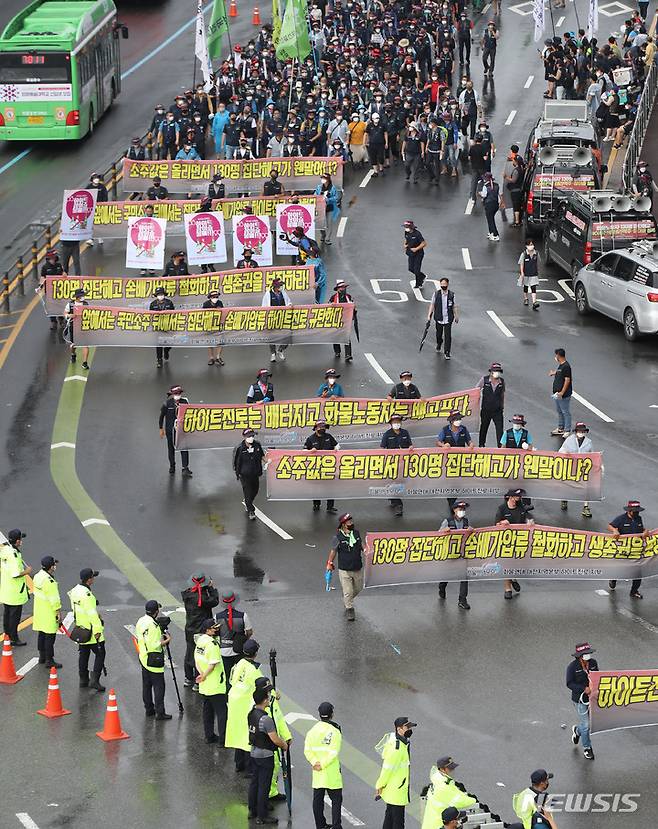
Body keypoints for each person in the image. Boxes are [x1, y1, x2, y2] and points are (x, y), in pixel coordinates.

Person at [248, 681, 289, 824]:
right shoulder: (266, 719)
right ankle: (262, 815)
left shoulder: (251, 713)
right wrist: (284, 745)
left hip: (253, 752)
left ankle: (252, 811)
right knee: (263, 786)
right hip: (265, 755)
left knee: (254, 783)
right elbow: (275, 739)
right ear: (264, 700)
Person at [226, 638, 264, 773]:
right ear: (255, 653)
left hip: (234, 702)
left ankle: (238, 763)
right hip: (245, 705)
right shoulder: (254, 670)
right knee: (248, 736)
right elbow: (262, 686)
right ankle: (249, 768)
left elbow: (231, 680)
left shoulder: (239, 663)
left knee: (237, 733)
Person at [304, 701, 343, 829]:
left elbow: (307, 750)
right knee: (336, 800)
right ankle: (337, 826)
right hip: (331, 771)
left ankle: (320, 825)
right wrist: (323, 764)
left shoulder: (312, 731)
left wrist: (315, 763)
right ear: (332, 714)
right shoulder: (335, 731)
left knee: (318, 800)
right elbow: (334, 751)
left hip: (318, 771)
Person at [68, 567, 106, 691]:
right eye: (93, 577)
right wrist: (98, 630)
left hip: (81, 629)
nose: (93, 579)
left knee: (83, 653)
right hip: (91, 631)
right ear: (89, 580)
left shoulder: (74, 590)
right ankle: (95, 680)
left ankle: (83, 679)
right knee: (101, 654)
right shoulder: (87, 595)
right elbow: (92, 615)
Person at [375, 717, 415, 829]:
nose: (409, 729)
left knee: (390, 818)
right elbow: (387, 768)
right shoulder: (397, 748)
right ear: (399, 729)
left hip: (394, 788)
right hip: (397, 789)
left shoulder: (401, 742)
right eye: (407, 727)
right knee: (398, 822)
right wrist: (379, 785)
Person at [181, 571, 219, 689]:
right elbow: (215, 601)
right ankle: (198, 681)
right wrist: (211, 588)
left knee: (189, 652)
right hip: (201, 630)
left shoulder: (187, 595)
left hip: (190, 628)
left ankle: (188, 678)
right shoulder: (203, 598)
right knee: (201, 655)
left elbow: (194, 590)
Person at [135, 600, 172, 720]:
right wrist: (167, 640)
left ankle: (149, 709)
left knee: (146, 685)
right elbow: (155, 645)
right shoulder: (154, 626)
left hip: (143, 657)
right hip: (154, 659)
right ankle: (160, 712)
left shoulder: (141, 621)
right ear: (156, 611)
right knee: (159, 686)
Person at [495, 489, 533, 600]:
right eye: (517, 496)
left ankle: (513, 577)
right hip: (506, 541)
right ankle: (508, 589)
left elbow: (527, 518)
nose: (520, 497)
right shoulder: (502, 509)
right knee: (507, 563)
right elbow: (495, 525)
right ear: (511, 497)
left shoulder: (521, 507)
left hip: (519, 540)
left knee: (516, 564)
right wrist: (502, 523)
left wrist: (529, 522)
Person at [194, 618, 227, 743]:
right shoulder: (212, 645)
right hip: (215, 685)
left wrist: (201, 674)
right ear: (208, 630)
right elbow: (213, 664)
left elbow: (196, 660)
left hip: (204, 686)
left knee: (207, 712)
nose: (217, 629)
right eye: (214, 628)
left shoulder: (200, 641)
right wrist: (204, 675)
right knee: (222, 713)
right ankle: (223, 740)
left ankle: (209, 736)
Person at [421, 756, 477, 829]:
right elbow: (459, 801)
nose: (452, 770)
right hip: (437, 825)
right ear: (442, 769)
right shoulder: (443, 786)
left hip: (431, 822)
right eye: (450, 768)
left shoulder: (439, 779)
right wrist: (473, 800)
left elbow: (455, 792)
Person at [327, 513, 364, 621]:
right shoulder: (337, 537)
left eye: (352, 521)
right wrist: (329, 563)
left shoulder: (356, 533)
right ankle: (349, 609)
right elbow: (333, 551)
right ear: (343, 524)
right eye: (349, 521)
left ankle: (346, 600)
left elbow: (362, 545)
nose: (352, 523)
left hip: (357, 567)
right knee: (348, 591)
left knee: (358, 588)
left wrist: (366, 550)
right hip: (344, 569)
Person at [608, 500, 649, 599]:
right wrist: (615, 530)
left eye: (638, 511)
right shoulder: (621, 519)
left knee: (638, 572)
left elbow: (642, 529)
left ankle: (634, 591)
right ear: (629, 511)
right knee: (618, 570)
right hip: (622, 551)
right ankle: (613, 580)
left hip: (635, 550)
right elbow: (610, 526)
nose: (637, 513)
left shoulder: (639, 519)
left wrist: (645, 531)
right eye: (635, 512)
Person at [566, 642, 598, 761]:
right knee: (586, 725)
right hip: (580, 700)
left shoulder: (593, 663)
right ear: (580, 656)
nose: (588, 655)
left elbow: (597, 676)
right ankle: (587, 748)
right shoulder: (572, 667)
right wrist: (584, 689)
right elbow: (569, 683)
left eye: (589, 653)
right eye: (586, 654)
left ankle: (577, 731)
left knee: (587, 725)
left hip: (592, 698)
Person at [438, 503, 472, 610]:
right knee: (447, 575)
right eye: (460, 509)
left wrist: (471, 531)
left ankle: (462, 600)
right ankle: (442, 587)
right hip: (450, 553)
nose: (462, 511)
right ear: (454, 510)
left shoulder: (466, 521)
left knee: (464, 577)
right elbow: (437, 534)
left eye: (463, 509)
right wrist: (444, 531)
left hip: (462, 553)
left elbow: (470, 535)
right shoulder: (447, 521)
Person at [0, 529, 31, 646]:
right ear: (17, 541)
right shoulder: (13, 555)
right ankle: (14, 638)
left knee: (7, 614)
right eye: (20, 539)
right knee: (14, 617)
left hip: (7, 590)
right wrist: (27, 571)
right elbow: (15, 574)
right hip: (15, 592)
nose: (21, 541)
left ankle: (7, 634)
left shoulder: (5, 550)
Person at [216, 589, 253, 682]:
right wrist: (244, 639)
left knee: (227, 676)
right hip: (238, 649)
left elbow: (215, 633)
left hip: (223, 651)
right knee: (239, 675)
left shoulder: (217, 617)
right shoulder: (243, 616)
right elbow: (249, 631)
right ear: (235, 601)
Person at [32, 555, 61, 668]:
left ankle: (42, 657)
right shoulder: (50, 581)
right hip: (49, 612)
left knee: (42, 634)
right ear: (51, 567)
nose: (55, 566)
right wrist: (58, 612)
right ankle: (50, 660)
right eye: (54, 564)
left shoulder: (38, 576)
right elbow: (54, 599)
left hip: (40, 611)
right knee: (50, 636)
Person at [558, 423, 593, 517]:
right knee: (567, 484)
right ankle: (564, 499)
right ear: (576, 432)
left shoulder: (589, 442)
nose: (581, 433)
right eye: (579, 431)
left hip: (582, 468)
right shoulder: (569, 440)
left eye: (583, 431)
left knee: (586, 487)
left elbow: (592, 455)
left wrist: (598, 466)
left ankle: (586, 507)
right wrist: (565, 453)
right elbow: (560, 452)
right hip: (570, 467)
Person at [381, 414, 413, 517]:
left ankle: (394, 499)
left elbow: (410, 444)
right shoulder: (387, 434)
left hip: (404, 462)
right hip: (392, 463)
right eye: (394, 422)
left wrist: (411, 447)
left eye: (398, 422)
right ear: (391, 424)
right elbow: (382, 448)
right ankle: (398, 504)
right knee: (394, 481)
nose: (396, 424)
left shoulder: (405, 433)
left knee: (400, 481)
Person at [159, 384, 193, 477]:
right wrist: (161, 428)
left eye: (179, 393)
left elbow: (190, 413)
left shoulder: (185, 402)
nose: (178, 395)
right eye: (176, 393)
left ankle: (185, 468)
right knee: (171, 448)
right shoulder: (167, 403)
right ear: (172, 394)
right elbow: (161, 416)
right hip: (170, 430)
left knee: (184, 448)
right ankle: (172, 466)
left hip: (182, 430)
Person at [305, 421, 338, 514]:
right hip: (315, 467)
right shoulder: (310, 439)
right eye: (320, 427)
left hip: (329, 466)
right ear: (315, 428)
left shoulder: (329, 437)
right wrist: (311, 451)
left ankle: (330, 507)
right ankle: (316, 504)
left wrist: (336, 449)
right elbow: (303, 451)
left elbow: (337, 445)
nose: (322, 429)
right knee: (316, 487)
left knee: (330, 487)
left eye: (324, 427)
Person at [233, 428, 266, 520]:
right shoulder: (240, 448)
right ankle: (251, 510)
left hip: (255, 473)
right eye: (249, 436)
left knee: (255, 490)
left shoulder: (257, 445)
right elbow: (235, 461)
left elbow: (262, 455)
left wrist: (267, 461)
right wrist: (237, 472)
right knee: (247, 492)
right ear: (244, 437)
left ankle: (248, 502)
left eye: (252, 436)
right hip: (244, 474)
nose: (251, 438)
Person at [427, 278, 458, 360]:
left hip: (448, 318)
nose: (443, 286)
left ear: (447, 284)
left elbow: (454, 306)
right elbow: (432, 305)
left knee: (448, 336)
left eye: (445, 284)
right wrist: (429, 315)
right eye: (442, 284)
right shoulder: (436, 294)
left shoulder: (452, 295)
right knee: (439, 334)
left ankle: (447, 352)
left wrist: (456, 315)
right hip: (439, 318)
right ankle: (439, 343)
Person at [262, 277, 291, 362]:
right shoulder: (268, 294)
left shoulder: (283, 293)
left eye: (281, 285)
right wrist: (266, 320)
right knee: (272, 337)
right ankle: (273, 354)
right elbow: (264, 307)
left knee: (288, 337)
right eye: (279, 285)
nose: (281, 287)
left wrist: (289, 305)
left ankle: (280, 350)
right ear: (275, 286)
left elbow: (288, 302)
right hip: (272, 319)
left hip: (283, 318)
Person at [478, 362, 505, 447]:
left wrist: (502, 406)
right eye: (495, 371)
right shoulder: (484, 380)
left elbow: (503, 395)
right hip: (486, 409)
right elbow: (476, 390)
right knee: (484, 427)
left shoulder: (502, 382)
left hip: (497, 410)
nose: (497, 373)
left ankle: (500, 447)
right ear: (491, 372)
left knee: (500, 429)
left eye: (498, 371)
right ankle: (481, 445)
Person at [549, 348, 573, 438]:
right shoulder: (561, 366)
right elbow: (561, 373)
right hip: (557, 394)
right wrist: (554, 373)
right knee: (559, 411)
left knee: (565, 411)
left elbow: (567, 380)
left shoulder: (566, 366)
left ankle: (567, 430)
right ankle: (560, 428)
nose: (555, 357)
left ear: (559, 356)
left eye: (556, 355)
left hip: (563, 394)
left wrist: (562, 392)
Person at [149, 287, 175, 368]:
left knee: (170, 342)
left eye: (162, 294)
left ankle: (166, 350)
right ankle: (159, 360)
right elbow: (150, 315)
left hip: (168, 326)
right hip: (158, 326)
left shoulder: (169, 302)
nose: (160, 296)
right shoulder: (153, 304)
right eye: (159, 294)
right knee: (159, 343)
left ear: (164, 295)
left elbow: (174, 313)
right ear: (156, 295)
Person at [330, 280, 355, 363]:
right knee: (336, 336)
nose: (343, 289)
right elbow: (328, 308)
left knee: (346, 336)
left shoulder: (349, 296)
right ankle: (337, 351)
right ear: (338, 289)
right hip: (336, 319)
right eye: (342, 287)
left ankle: (348, 354)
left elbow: (353, 306)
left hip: (346, 319)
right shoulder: (333, 298)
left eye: (344, 287)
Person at [65, 288, 90, 369]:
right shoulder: (70, 304)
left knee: (85, 344)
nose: (83, 297)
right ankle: (73, 354)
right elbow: (65, 313)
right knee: (73, 345)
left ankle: (85, 363)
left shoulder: (86, 304)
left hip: (83, 326)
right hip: (73, 327)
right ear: (78, 297)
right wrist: (69, 315)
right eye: (82, 295)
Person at [39, 248, 65, 330]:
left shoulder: (59, 265)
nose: (54, 259)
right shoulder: (45, 267)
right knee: (51, 306)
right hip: (49, 291)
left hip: (59, 290)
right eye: (53, 257)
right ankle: (53, 322)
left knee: (60, 305)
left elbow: (63, 273)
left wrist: (64, 274)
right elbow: (43, 277)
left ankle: (61, 320)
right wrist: (40, 286)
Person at [316, 174, 341, 244]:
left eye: (324, 178)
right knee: (319, 223)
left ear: (328, 179)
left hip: (329, 207)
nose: (322, 180)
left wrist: (328, 200)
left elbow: (336, 198)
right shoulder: (319, 187)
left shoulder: (332, 188)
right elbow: (315, 195)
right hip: (320, 208)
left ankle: (328, 238)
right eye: (322, 178)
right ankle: (323, 235)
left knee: (329, 223)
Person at [202, 290, 225, 366]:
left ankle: (218, 357)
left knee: (220, 342)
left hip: (218, 325)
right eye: (213, 297)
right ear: (210, 297)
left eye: (217, 297)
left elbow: (223, 313)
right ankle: (211, 358)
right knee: (210, 342)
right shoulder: (206, 304)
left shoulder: (220, 303)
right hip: (209, 325)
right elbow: (203, 315)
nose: (215, 298)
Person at [403, 219, 427, 289]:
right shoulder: (406, 232)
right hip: (411, 253)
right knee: (410, 268)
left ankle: (418, 284)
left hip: (418, 254)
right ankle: (422, 276)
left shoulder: (417, 234)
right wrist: (405, 245)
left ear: (411, 227)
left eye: (407, 227)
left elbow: (424, 243)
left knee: (416, 270)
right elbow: (406, 239)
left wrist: (416, 249)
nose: (405, 228)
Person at [480, 172, 502, 241]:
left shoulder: (485, 186)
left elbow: (484, 195)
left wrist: (479, 193)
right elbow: (500, 194)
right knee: (491, 218)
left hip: (489, 205)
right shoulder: (496, 185)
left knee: (490, 220)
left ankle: (495, 234)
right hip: (495, 204)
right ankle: (491, 232)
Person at [519, 240, 540, 310]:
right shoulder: (524, 254)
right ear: (526, 246)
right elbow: (521, 264)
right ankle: (526, 298)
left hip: (533, 273)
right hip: (526, 273)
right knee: (526, 286)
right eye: (530, 244)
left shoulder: (536, 253)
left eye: (532, 244)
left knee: (533, 287)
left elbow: (538, 262)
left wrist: (538, 270)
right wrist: (522, 272)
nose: (531, 246)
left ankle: (534, 302)